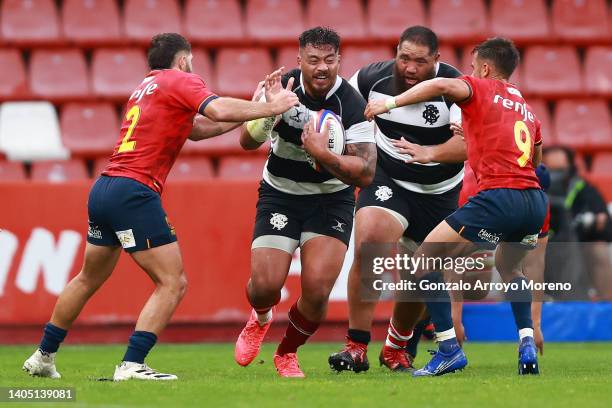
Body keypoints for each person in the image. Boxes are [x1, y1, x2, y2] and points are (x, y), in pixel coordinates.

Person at [22, 33, 299, 381]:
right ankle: (132, 364)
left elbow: (196, 130)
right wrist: (271, 107)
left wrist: (252, 106)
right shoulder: (180, 79)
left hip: (106, 187)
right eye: (192, 61)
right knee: (173, 282)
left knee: (87, 277)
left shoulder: (145, 87)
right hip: (135, 191)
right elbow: (215, 108)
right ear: (183, 60)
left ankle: (43, 355)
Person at [365, 37, 548, 376]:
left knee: (423, 261)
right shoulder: (525, 106)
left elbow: (439, 84)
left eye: (473, 66)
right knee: (511, 270)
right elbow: (535, 159)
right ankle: (525, 341)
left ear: (486, 68)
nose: (470, 72)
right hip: (533, 202)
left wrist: (388, 104)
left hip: (498, 196)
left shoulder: (478, 86)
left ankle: (448, 348)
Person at [234, 27, 376, 378]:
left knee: (316, 290)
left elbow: (366, 171)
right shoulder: (278, 88)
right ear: (300, 60)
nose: (322, 67)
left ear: (340, 61)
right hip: (280, 193)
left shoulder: (353, 104)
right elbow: (246, 142)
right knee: (265, 286)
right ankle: (260, 317)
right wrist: (270, 111)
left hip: (331, 199)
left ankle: (287, 353)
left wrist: (325, 156)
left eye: (330, 60)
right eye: (313, 60)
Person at [329, 26, 466, 373]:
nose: (409, 67)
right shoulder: (371, 79)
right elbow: (339, 109)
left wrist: (429, 151)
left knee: (422, 276)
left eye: (419, 61)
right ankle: (356, 346)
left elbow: (468, 146)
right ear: (396, 51)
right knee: (371, 241)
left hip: (439, 194)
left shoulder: (455, 89)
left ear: (436, 60)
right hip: (390, 181)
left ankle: (396, 345)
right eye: (404, 57)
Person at [543, 146, 612, 300]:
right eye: (550, 170)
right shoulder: (532, 191)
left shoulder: (584, 190)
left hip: (576, 254)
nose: (556, 176)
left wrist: (594, 224)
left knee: (598, 248)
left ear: (571, 168)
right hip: (540, 252)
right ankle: (516, 313)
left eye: (560, 170)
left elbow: (606, 229)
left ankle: (607, 313)